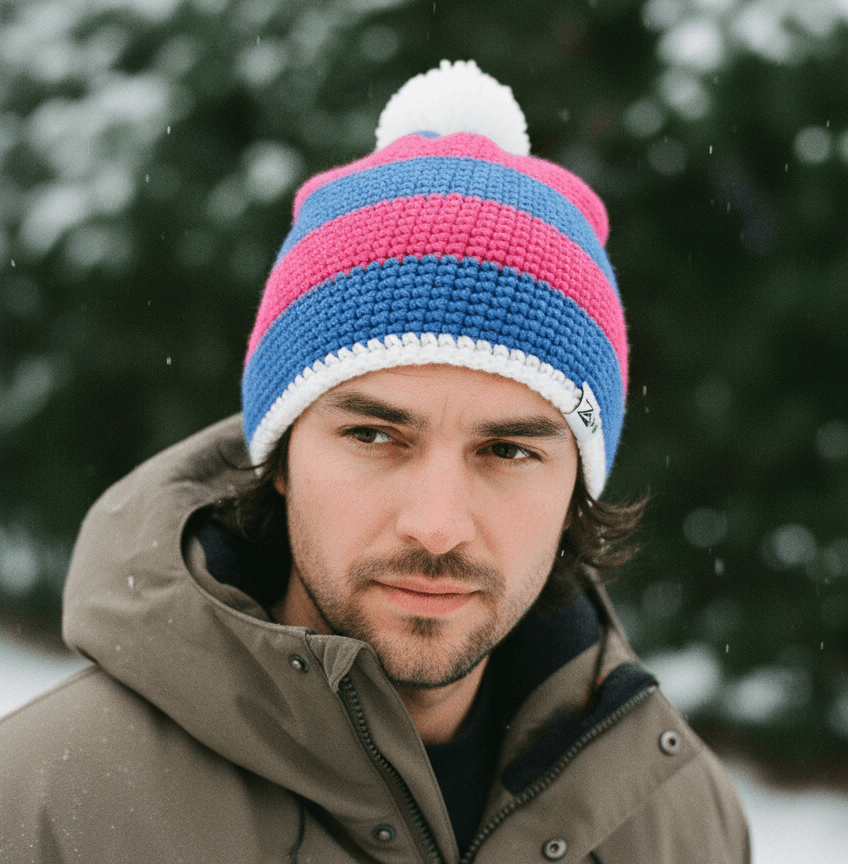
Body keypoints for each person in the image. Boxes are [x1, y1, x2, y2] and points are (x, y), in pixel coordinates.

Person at [0, 61, 749, 863]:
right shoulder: (51, 810)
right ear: (280, 456)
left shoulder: (681, 824)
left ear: (577, 488)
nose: (436, 525)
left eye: (507, 450)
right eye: (374, 436)